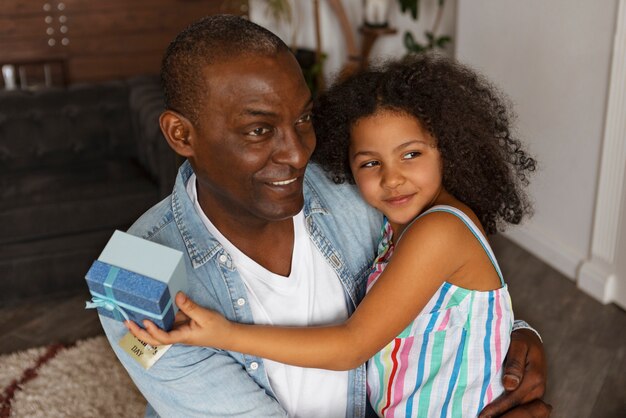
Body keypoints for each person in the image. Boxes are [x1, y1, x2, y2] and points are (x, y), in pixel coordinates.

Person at [100, 15, 550, 417]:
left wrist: (518, 339)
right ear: (181, 134)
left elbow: (440, 300)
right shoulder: (129, 274)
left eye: (303, 119)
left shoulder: (358, 186)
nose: (298, 154)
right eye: (259, 130)